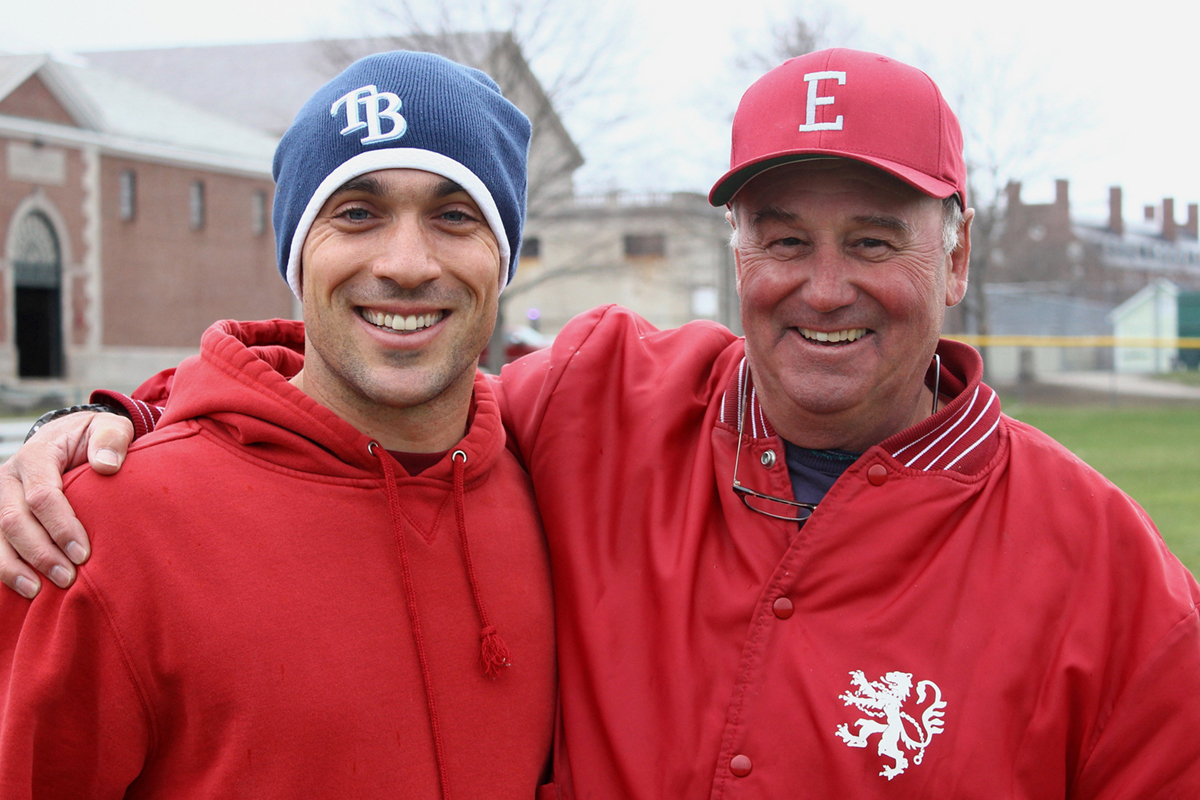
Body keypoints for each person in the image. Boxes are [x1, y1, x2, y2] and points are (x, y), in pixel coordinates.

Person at [4, 48, 1200, 798]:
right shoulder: (603, 403)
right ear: (739, 252)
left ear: (957, 255)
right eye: (784, 236)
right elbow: (356, 404)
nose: (823, 285)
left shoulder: (1109, 578)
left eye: (874, 238)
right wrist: (104, 425)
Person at [0, 51, 556, 798]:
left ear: (504, 254)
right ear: (297, 253)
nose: (405, 263)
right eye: (356, 213)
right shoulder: (91, 531)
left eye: (455, 215)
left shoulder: (560, 496)